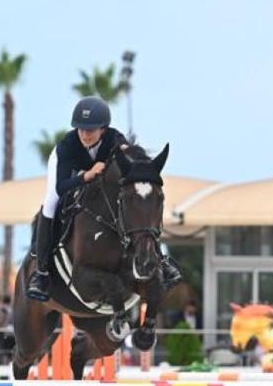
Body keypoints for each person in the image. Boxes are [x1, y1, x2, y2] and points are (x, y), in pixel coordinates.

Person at [26, 96, 182, 302]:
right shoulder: (66, 147)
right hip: (70, 176)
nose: (84, 134)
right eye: (80, 129)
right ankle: (42, 273)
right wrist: (85, 176)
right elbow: (61, 186)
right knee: (50, 203)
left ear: (103, 129)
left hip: (96, 180)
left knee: (139, 207)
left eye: (90, 130)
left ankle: (160, 259)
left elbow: (131, 165)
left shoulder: (115, 139)